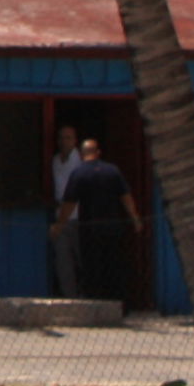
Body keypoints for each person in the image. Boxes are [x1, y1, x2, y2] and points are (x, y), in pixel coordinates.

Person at [58, 138, 139, 309]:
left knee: (92, 267)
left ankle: (95, 304)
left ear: (81, 154)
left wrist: (59, 224)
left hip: (89, 229)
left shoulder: (79, 173)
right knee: (114, 265)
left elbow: (69, 203)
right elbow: (126, 197)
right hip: (112, 227)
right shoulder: (112, 171)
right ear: (98, 152)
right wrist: (135, 218)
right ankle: (118, 304)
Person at [48, 124, 86, 294]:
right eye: (61, 138)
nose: (64, 141)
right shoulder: (56, 161)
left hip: (78, 218)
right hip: (60, 218)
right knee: (63, 262)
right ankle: (70, 298)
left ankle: (87, 296)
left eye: (68, 138)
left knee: (82, 260)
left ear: (75, 140)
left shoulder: (80, 161)